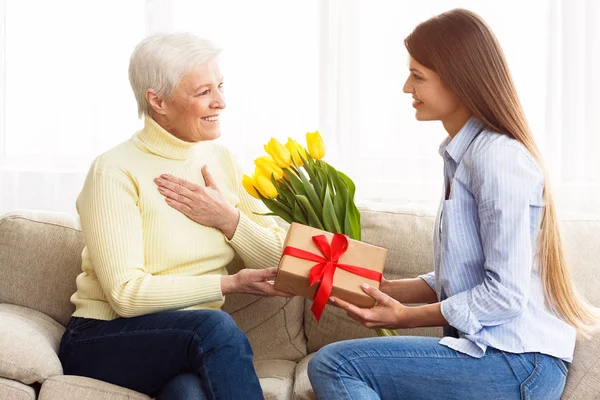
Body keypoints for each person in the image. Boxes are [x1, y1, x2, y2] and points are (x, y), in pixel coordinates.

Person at [307, 9, 598, 400]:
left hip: (518, 362)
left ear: (459, 81)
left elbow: (504, 295)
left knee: (335, 364)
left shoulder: (498, 158)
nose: (406, 87)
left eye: (418, 76)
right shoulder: (465, 156)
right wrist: (383, 288)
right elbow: (465, 275)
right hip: (500, 357)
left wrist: (406, 318)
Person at [58, 33, 293, 400]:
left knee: (189, 394)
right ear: (158, 100)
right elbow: (125, 295)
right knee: (214, 326)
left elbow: (284, 262)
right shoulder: (114, 171)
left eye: (220, 86)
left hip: (185, 342)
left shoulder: (221, 160)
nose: (221, 102)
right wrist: (229, 284)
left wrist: (228, 219)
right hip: (102, 337)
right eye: (203, 92)